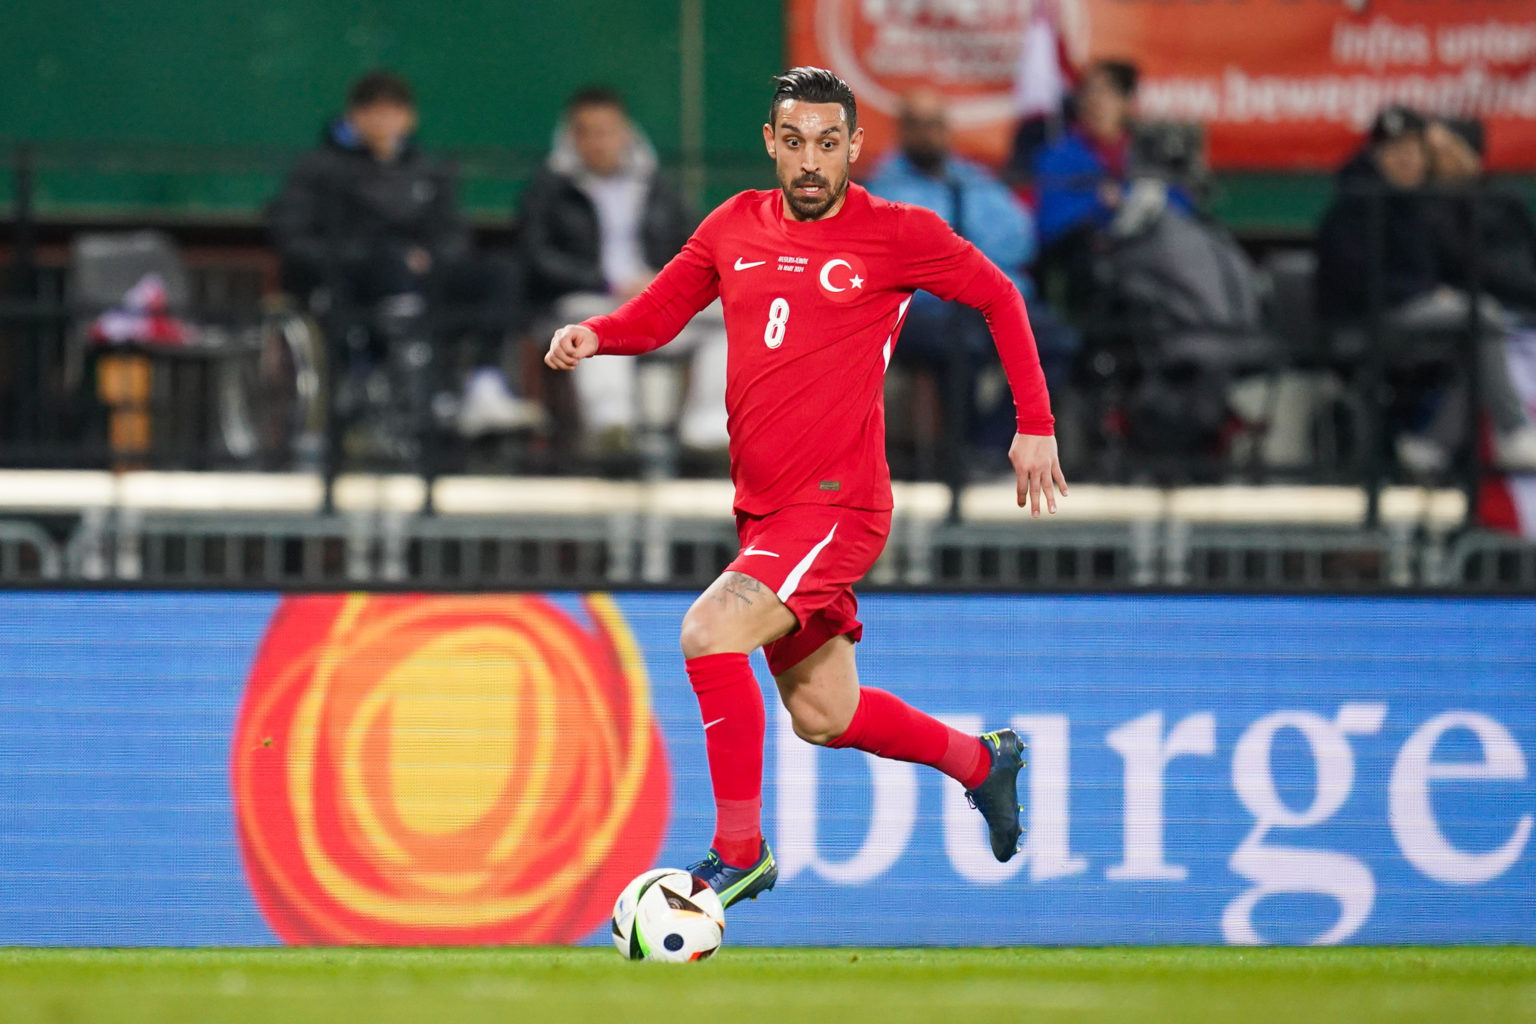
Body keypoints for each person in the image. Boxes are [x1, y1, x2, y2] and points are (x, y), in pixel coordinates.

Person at [545, 67, 1066, 907]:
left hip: (837, 504)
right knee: (824, 713)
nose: (812, 161)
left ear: (856, 147)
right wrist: (593, 336)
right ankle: (983, 761)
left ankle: (738, 851)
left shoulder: (898, 232)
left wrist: (1033, 422)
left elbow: (1000, 296)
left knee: (710, 632)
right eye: (796, 142)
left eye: (830, 143)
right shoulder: (732, 225)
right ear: (771, 145)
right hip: (765, 509)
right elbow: (658, 314)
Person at [270, 70, 543, 438]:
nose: (383, 122)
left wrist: (429, 258)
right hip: (353, 284)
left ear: (408, 118)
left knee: (500, 273)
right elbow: (293, 237)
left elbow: (453, 236)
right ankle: (409, 391)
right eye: (373, 112)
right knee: (390, 266)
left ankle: (484, 386)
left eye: (393, 112)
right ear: (354, 116)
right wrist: (366, 256)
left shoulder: (428, 170)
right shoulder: (318, 169)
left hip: (426, 280)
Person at [1316, 106, 1536, 472]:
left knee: (1474, 340)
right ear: (1377, 155)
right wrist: (1424, 294)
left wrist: (1435, 292)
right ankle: (1513, 432)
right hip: (1365, 321)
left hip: (1410, 312)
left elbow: (1431, 269)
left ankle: (1429, 446)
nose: (1406, 160)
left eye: (1413, 151)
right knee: (1479, 317)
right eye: (1395, 152)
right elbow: (1358, 282)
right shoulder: (1355, 204)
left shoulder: (1412, 203)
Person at [866, 89, 1078, 464]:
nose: (929, 133)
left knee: (1059, 343)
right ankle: (958, 461)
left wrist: (958, 247)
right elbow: (916, 254)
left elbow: (1020, 237)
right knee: (962, 346)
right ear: (902, 131)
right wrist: (969, 249)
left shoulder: (971, 176)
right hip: (927, 309)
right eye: (918, 125)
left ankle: (985, 448)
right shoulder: (886, 186)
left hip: (994, 300)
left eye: (936, 124)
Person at [520, 87, 728, 456]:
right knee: (590, 323)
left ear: (626, 132)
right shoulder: (548, 190)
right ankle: (612, 426)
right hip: (591, 298)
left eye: (609, 130)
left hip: (657, 298)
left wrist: (661, 283)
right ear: (573, 137)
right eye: (589, 132)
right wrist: (609, 283)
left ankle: (708, 424)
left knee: (726, 319)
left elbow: (700, 246)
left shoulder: (659, 186)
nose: (600, 142)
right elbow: (538, 258)